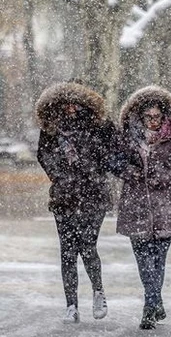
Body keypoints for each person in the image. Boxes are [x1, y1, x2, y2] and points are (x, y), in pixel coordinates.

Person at [36, 80, 117, 323]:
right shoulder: (52, 127)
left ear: (85, 102)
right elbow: (43, 154)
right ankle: (71, 305)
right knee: (67, 251)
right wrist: (58, 175)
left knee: (88, 245)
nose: (71, 107)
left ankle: (98, 290)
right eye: (66, 102)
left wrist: (93, 169)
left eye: (76, 102)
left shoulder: (100, 125)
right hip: (64, 197)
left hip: (94, 196)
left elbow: (111, 152)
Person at [116, 86, 171, 330]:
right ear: (140, 116)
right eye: (149, 116)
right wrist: (130, 172)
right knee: (143, 260)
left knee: (158, 259)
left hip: (165, 207)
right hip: (135, 206)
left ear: (164, 115)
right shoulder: (127, 136)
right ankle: (153, 303)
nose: (154, 121)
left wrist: (166, 176)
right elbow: (114, 161)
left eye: (157, 116)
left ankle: (151, 303)